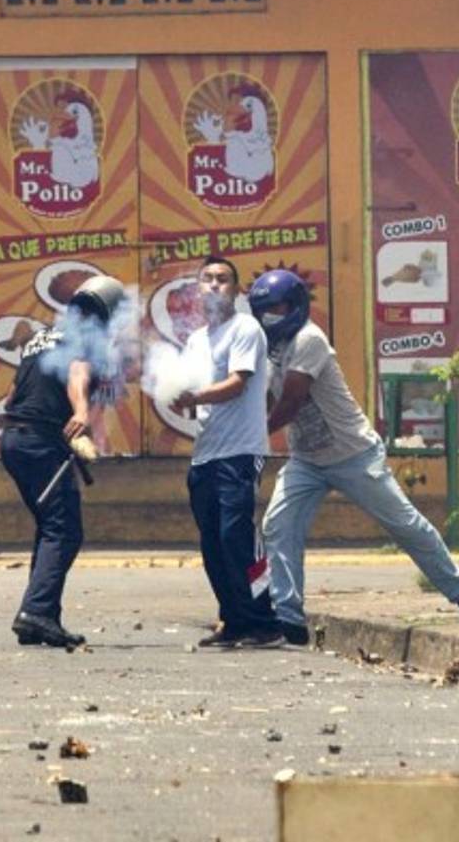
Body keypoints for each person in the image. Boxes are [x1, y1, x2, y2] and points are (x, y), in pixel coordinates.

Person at [249, 269, 459, 646]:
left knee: (405, 524)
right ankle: (290, 619)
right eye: (262, 310)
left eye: (276, 308)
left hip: (353, 454)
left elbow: (291, 399)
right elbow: (261, 395)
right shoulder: (267, 348)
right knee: (279, 526)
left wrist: (253, 435)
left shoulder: (309, 340)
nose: (269, 316)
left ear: (294, 306)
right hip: (307, 460)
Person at [0, 274, 126, 648]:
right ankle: (36, 611)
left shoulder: (40, 339)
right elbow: (78, 371)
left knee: (49, 526)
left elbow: (10, 399)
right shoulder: (90, 339)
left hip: (15, 441)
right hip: (41, 443)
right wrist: (81, 410)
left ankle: (40, 616)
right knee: (65, 530)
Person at [169, 256, 282, 649]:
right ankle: (233, 619)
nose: (215, 285)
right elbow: (182, 389)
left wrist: (194, 396)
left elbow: (238, 383)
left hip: (240, 451)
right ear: (198, 288)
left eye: (223, 279)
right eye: (208, 279)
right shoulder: (197, 340)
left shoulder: (245, 328)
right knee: (213, 542)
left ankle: (264, 619)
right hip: (205, 455)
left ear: (236, 290)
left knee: (238, 536)